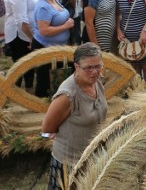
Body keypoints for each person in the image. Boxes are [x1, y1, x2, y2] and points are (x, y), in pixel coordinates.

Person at [42, 43, 107, 189]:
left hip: (92, 159)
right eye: (88, 68)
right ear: (76, 67)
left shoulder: (96, 81)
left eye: (98, 66)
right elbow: (47, 128)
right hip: (70, 164)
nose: (94, 71)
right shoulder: (68, 95)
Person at [33, 0, 75, 98]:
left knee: (61, 76)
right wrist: (65, 26)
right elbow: (44, 30)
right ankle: (41, 106)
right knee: (44, 80)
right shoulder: (43, 7)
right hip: (45, 47)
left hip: (58, 47)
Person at [4, 0, 39, 91]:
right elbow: (21, 20)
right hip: (20, 34)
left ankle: (27, 92)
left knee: (29, 65)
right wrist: (32, 38)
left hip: (28, 31)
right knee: (20, 66)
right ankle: (15, 95)